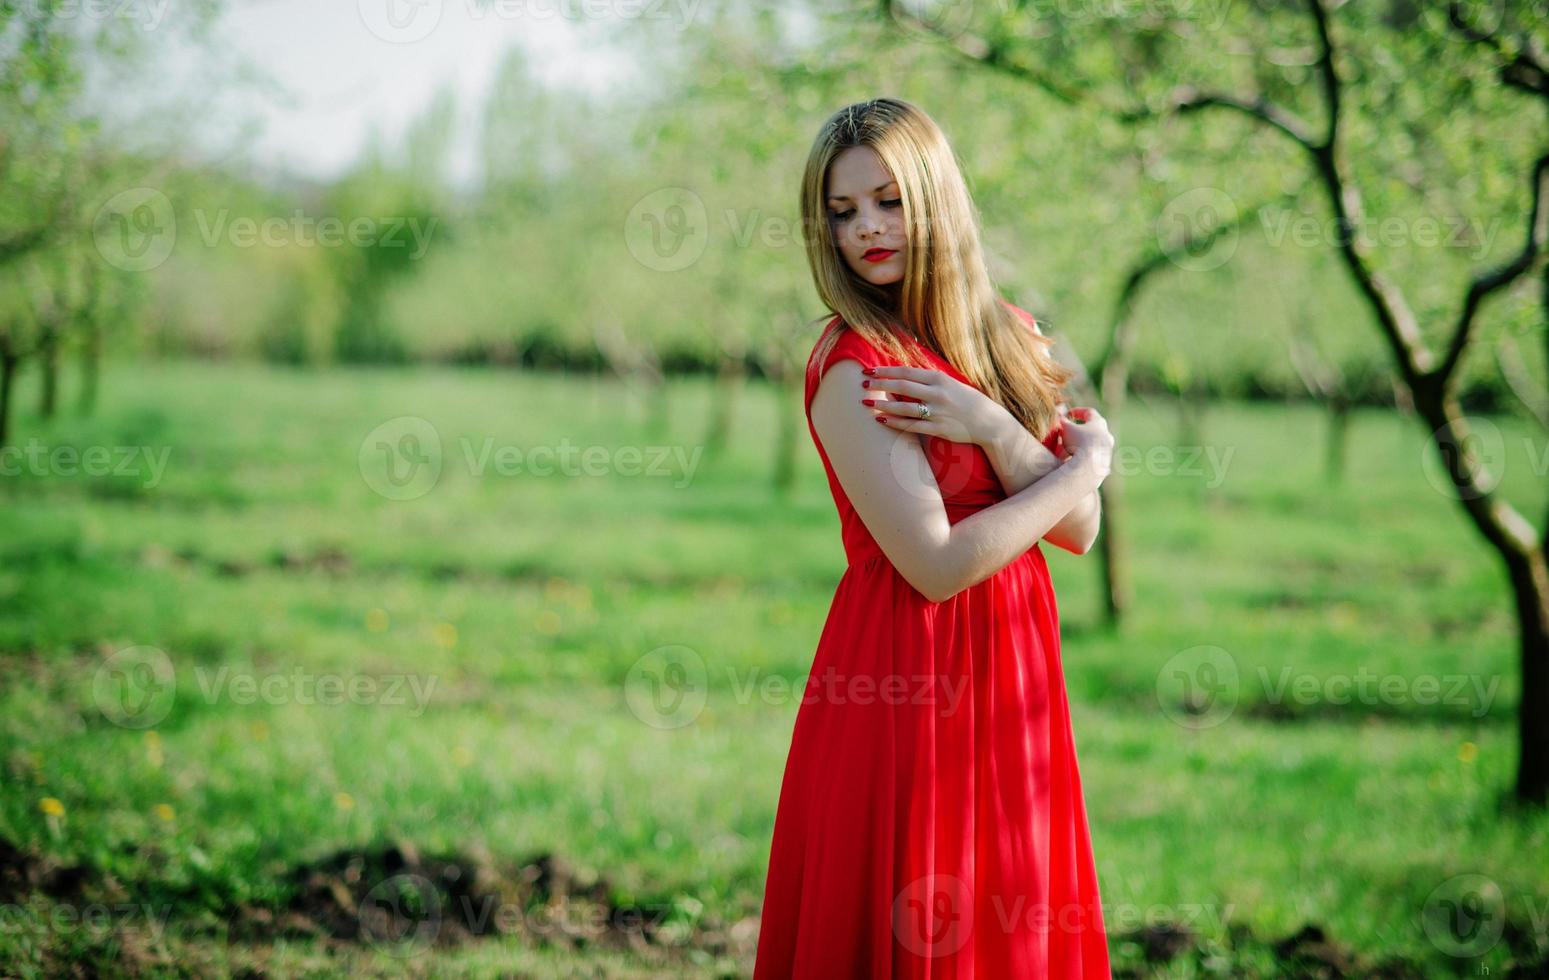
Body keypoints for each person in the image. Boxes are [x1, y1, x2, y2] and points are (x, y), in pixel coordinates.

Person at [751, 97, 1116, 977]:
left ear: (934, 198)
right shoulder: (855, 368)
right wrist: (1074, 467)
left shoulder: (1012, 336)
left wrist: (995, 429)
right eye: (841, 212)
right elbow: (936, 564)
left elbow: (1078, 532)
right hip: (904, 675)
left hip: (1013, 672)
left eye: (887, 200)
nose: (865, 229)